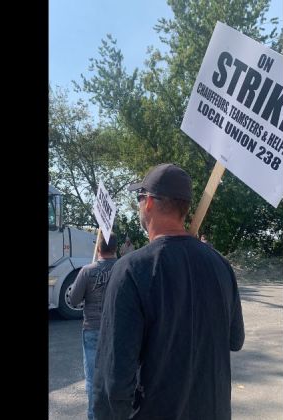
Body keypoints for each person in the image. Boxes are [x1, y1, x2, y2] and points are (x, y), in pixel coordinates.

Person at [92, 163, 245, 419]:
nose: (139, 205)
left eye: (139, 198)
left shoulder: (131, 269)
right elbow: (235, 340)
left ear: (149, 202)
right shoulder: (221, 265)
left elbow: (114, 378)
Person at [69, 232, 118, 420]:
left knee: (92, 380)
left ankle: (94, 416)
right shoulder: (124, 267)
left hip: (92, 329)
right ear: (115, 247)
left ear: (98, 247)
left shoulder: (87, 271)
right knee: (117, 377)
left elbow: (73, 300)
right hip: (117, 329)